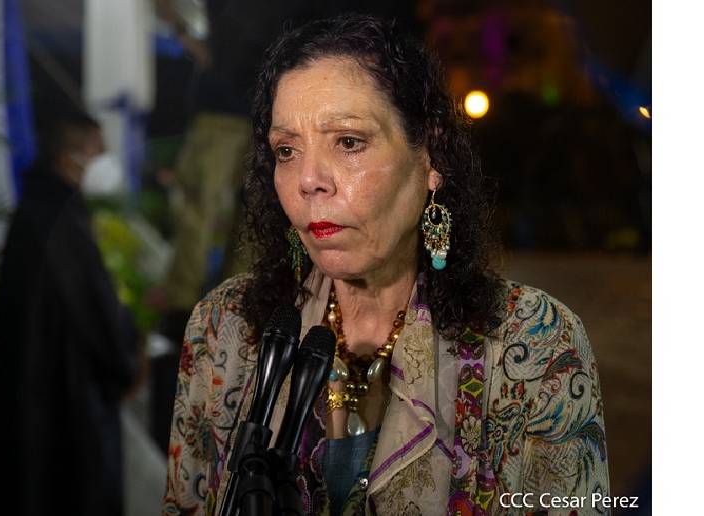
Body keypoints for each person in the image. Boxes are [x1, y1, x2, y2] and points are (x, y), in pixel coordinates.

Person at [162, 14, 609, 516]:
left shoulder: (535, 345)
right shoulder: (224, 328)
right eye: (286, 150)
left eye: (349, 142)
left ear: (430, 157)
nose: (309, 179)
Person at [0, 107, 141, 516]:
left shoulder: (34, 211)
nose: (105, 161)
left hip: (28, 403)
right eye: (98, 151)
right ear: (69, 158)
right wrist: (128, 357)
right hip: (64, 412)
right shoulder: (63, 223)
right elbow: (98, 317)